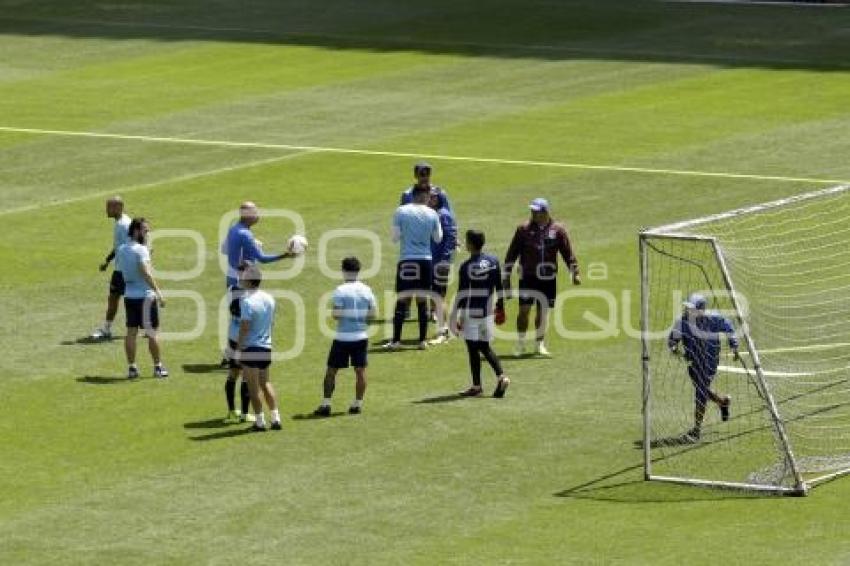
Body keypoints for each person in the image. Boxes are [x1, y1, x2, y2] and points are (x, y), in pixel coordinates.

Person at [219, 201, 296, 367]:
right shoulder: (245, 234)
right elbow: (262, 259)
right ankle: (237, 356)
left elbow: (224, 250)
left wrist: (249, 249)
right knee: (243, 318)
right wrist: (285, 255)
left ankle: (229, 353)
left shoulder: (234, 229)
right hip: (241, 281)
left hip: (231, 278)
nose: (259, 215)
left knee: (235, 316)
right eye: (255, 213)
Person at [503, 198, 581, 357]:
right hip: (528, 277)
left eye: (536, 211)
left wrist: (575, 272)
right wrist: (506, 278)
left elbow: (568, 253)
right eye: (532, 210)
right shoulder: (523, 230)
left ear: (545, 212)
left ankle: (539, 345)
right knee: (524, 310)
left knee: (543, 312)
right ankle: (520, 343)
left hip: (547, 278)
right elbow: (512, 254)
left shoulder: (558, 230)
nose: (533, 213)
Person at [668, 294, 737, 442]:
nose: (688, 310)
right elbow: (673, 339)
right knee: (702, 389)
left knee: (700, 393)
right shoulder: (682, 322)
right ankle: (722, 401)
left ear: (701, 310)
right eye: (687, 308)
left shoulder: (714, 319)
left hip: (709, 362)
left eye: (691, 308)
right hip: (693, 362)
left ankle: (696, 430)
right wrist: (673, 347)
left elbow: (729, 328)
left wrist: (734, 346)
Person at [313, 257, 377, 417]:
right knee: (360, 371)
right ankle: (357, 404)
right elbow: (373, 314)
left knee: (331, 371)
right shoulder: (367, 290)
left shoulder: (340, 290)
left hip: (342, 338)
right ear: (358, 270)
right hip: (361, 337)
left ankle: (326, 404)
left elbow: (336, 315)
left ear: (343, 271)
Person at [450, 230, 510, 398]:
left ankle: (477, 385)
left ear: (470, 244)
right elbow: (499, 286)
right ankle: (500, 377)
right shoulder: (493, 261)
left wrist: (454, 316)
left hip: (471, 313)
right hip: (487, 312)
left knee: (472, 349)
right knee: (484, 346)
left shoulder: (466, 267)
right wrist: (501, 307)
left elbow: (462, 293)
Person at [384, 185, 443, 351]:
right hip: (425, 261)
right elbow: (438, 238)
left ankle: (396, 341)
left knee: (402, 300)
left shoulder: (401, 211)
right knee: (422, 301)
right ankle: (422, 341)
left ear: (413, 195)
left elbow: (395, 238)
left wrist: (407, 233)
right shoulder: (432, 213)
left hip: (407, 260)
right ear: (425, 196)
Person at [116, 218, 167, 379]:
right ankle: (158, 367)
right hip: (145, 297)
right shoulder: (141, 250)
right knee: (152, 332)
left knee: (131, 332)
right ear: (136, 231)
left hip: (129, 296)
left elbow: (127, 268)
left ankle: (132, 368)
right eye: (145, 230)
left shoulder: (122, 249)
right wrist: (158, 292)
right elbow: (145, 272)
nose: (147, 233)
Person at [236, 264, 282, 432]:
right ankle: (276, 418)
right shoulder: (269, 298)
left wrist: (239, 349)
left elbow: (245, 327)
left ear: (249, 281)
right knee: (266, 383)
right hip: (266, 347)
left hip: (250, 348)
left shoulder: (246, 301)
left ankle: (260, 422)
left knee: (253, 387)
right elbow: (272, 322)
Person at [91, 196, 132, 340]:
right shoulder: (121, 222)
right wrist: (108, 261)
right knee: (118, 298)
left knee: (116, 299)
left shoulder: (124, 225)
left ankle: (106, 330)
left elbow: (130, 246)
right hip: (122, 268)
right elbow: (118, 247)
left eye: (110, 207)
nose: (107, 210)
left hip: (124, 270)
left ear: (119, 207)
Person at [222, 263, 254, 424]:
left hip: (232, 335)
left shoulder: (231, 289)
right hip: (244, 337)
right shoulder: (249, 295)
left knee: (233, 373)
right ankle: (244, 414)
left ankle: (231, 411)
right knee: (247, 376)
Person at [427, 186, 458, 344]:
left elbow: (451, 238)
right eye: (429, 196)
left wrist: (444, 260)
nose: (429, 199)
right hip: (433, 260)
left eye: (433, 197)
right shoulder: (434, 214)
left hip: (440, 262)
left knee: (439, 296)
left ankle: (443, 331)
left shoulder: (443, 215)